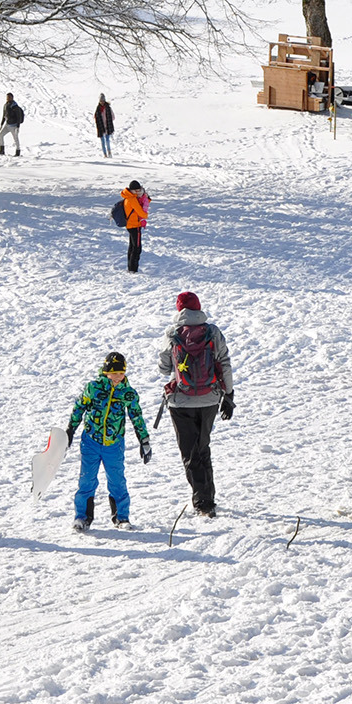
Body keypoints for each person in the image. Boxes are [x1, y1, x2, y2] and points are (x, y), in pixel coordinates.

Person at [157, 291, 234, 517]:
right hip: (210, 398)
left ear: (179, 310)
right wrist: (229, 394)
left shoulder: (172, 333)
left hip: (181, 402)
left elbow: (163, 368)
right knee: (203, 447)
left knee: (189, 452)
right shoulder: (212, 332)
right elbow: (225, 363)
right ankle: (208, 496)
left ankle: (203, 502)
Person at [66, 352, 151, 530]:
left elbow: (136, 416)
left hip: (114, 444)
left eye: (121, 373)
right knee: (87, 480)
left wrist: (144, 439)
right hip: (91, 441)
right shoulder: (93, 388)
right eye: (115, 373)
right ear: (106, 372)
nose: (118, 377)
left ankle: (121, 518)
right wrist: (70, 430)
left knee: (117, 480)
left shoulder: (128, 393)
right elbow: (79, 407)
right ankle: (82, 517)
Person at [121, 181, 151, 273]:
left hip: (130, 225)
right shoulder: (132, 200)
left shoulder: (128, 197)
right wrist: (145, 215)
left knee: (132, 247)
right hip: (135, 225)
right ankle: (133, 269)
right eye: (137, 190)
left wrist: (146, 199)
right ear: (132, 190)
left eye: (139, 190)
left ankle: (131, 268)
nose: (138, 192)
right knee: (137, 248)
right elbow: (141, 212)